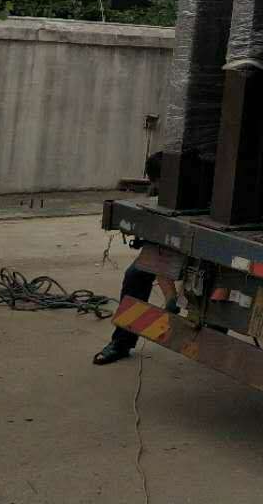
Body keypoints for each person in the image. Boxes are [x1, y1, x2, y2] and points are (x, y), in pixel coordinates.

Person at [93, 152, 176, 366]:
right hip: (165, 250)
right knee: (135, 275)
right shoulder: (156, 197)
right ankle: (122, 342)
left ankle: (211, 334)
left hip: (183, 249)